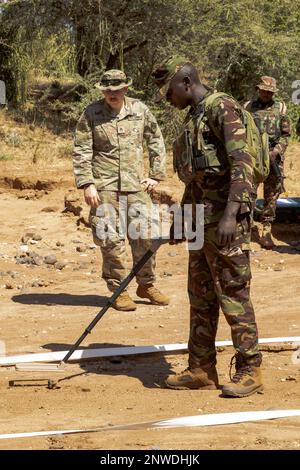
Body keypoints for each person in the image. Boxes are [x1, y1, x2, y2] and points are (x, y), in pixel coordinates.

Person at [152, 57, 262, 397]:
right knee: (200, 295)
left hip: (225, 221)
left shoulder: (223, 108)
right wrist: (182, 220)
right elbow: (198, 179)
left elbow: (243, 165)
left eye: (168, 91)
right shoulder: (193, 118)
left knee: (232, 290)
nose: (167, 99)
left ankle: (250, 368)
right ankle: (201, 367)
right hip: (201, 221)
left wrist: (232, 213)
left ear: (186, 82)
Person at [73, 69, 169, 311]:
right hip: (104, 189)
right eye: (107, 90)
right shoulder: (91, 113)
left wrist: (155, 175)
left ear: (126, 89)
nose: (111, 94)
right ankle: (118, 290)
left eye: (116, 90)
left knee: (146, 237)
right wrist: (87, 183)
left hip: (136, 187)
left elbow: (155, 140)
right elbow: (81, 150)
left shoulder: (140, 110)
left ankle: (146, 285)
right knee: (111, 240)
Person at [244, 77, 290, 249]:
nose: (266, 94)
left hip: (273, 157)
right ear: (258, 89)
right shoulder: (248, 106)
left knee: (272, 194)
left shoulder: (281, 107)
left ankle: (266, 229)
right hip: (254, 157)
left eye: (269, 92)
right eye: (263, 90)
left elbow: (286, 136)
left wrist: (275, 151)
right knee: (249, 193)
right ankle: (246, 230)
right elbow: (242, 131)